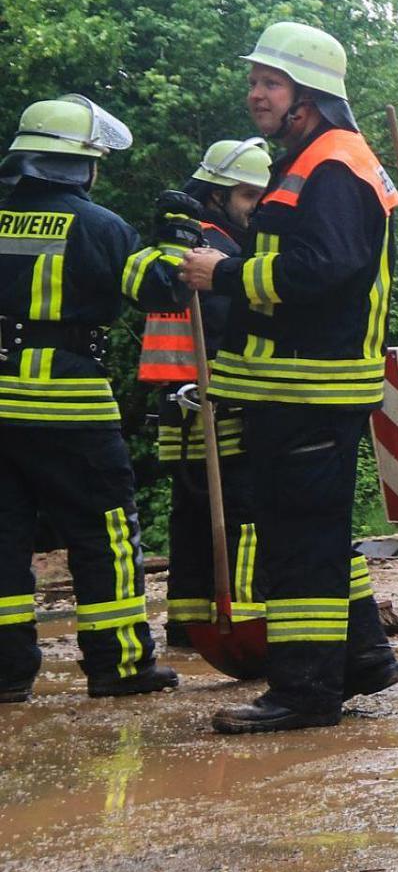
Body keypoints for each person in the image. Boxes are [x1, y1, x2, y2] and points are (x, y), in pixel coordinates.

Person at [178, 22, 398, 732]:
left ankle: (304, 693)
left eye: (270, 83)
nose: (255, 95)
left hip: (311, 387)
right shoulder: (315, 158)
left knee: (298, 546)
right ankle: (364, 656)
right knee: (313, 532)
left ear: (308, 96)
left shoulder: (333, 165)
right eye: (255, 82)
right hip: (297, 387)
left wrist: (228, 273)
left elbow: (324, 270)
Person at [0, 96, 178, 702]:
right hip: (69, 405)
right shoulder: (98, 226)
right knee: (105, 536)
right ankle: (119, 665)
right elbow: (159, 290)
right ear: (82, 166)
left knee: (2, 541)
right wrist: (175, 242)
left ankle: (6, 674)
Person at [123, 137, 270, 653]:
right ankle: (247, 619)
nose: (256, 208)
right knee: (246, 510)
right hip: (219, 399)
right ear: (215, 194)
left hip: (178, 401)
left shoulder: (172, 242)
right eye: (248, 196)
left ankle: (186, 624)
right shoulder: (218, 251)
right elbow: (234, 325)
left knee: (191, 512)